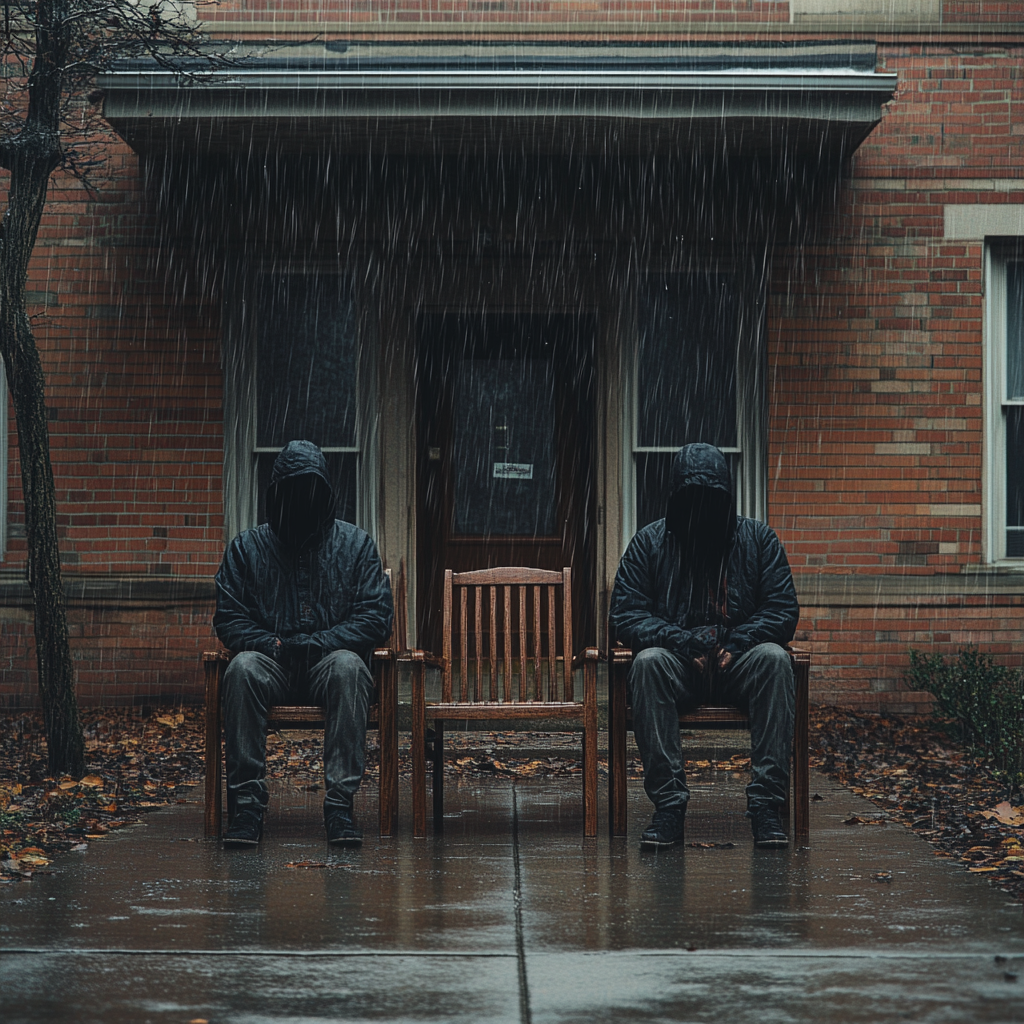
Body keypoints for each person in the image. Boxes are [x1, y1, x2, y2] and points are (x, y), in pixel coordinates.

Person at [610, 443, 799, 849]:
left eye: (710, 500)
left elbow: (783, 610)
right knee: (646, 663)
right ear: (677, 500)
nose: (701, 509)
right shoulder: (649, 542)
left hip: (740, 664)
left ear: (725, 500)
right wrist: (680, 641)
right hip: (680, 666)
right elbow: (625, 614)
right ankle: (669, 807)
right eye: (691, 500)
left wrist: (739, 639)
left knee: (775, 659)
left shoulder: (760, 540)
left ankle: (766, 807)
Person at [213, 440, 394, 849]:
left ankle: (339, 806)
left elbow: (376, 616)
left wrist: (318, 642)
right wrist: (271, 643)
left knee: (349, 666)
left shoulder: (356, 545)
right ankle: (247, 806)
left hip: (326, 664)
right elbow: (228, 616)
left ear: (325, 495)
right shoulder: (247, 548)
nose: (300, 502)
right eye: (291, 493)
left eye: (309, 492)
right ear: (276, 496)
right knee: (241, 668)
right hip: (270, 662)